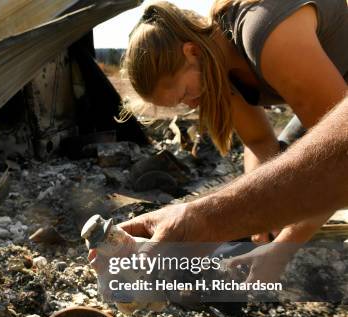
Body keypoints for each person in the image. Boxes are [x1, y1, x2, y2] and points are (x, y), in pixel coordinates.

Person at [117, 0, 347, 281]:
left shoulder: (265, 35)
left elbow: (338, 160)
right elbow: (260, 140)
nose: (191, 104)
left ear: (191, 52)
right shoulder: (218, 68)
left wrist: (282, 250)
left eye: (185, 94)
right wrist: (262, 218)